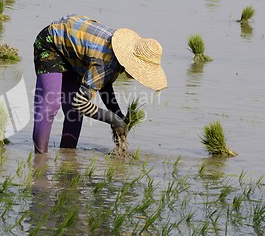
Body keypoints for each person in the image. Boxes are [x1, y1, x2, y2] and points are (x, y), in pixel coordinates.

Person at [32, 14, 167, 154]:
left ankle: (68, 157)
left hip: (75, 53)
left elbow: (103, 85)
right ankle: (40, 159)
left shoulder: (115, 60)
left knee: (74, 112)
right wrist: (112, 119)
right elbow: (80, 103)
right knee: (50, 105)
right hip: (51, 43)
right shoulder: (105, 62)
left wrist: (118, 115)